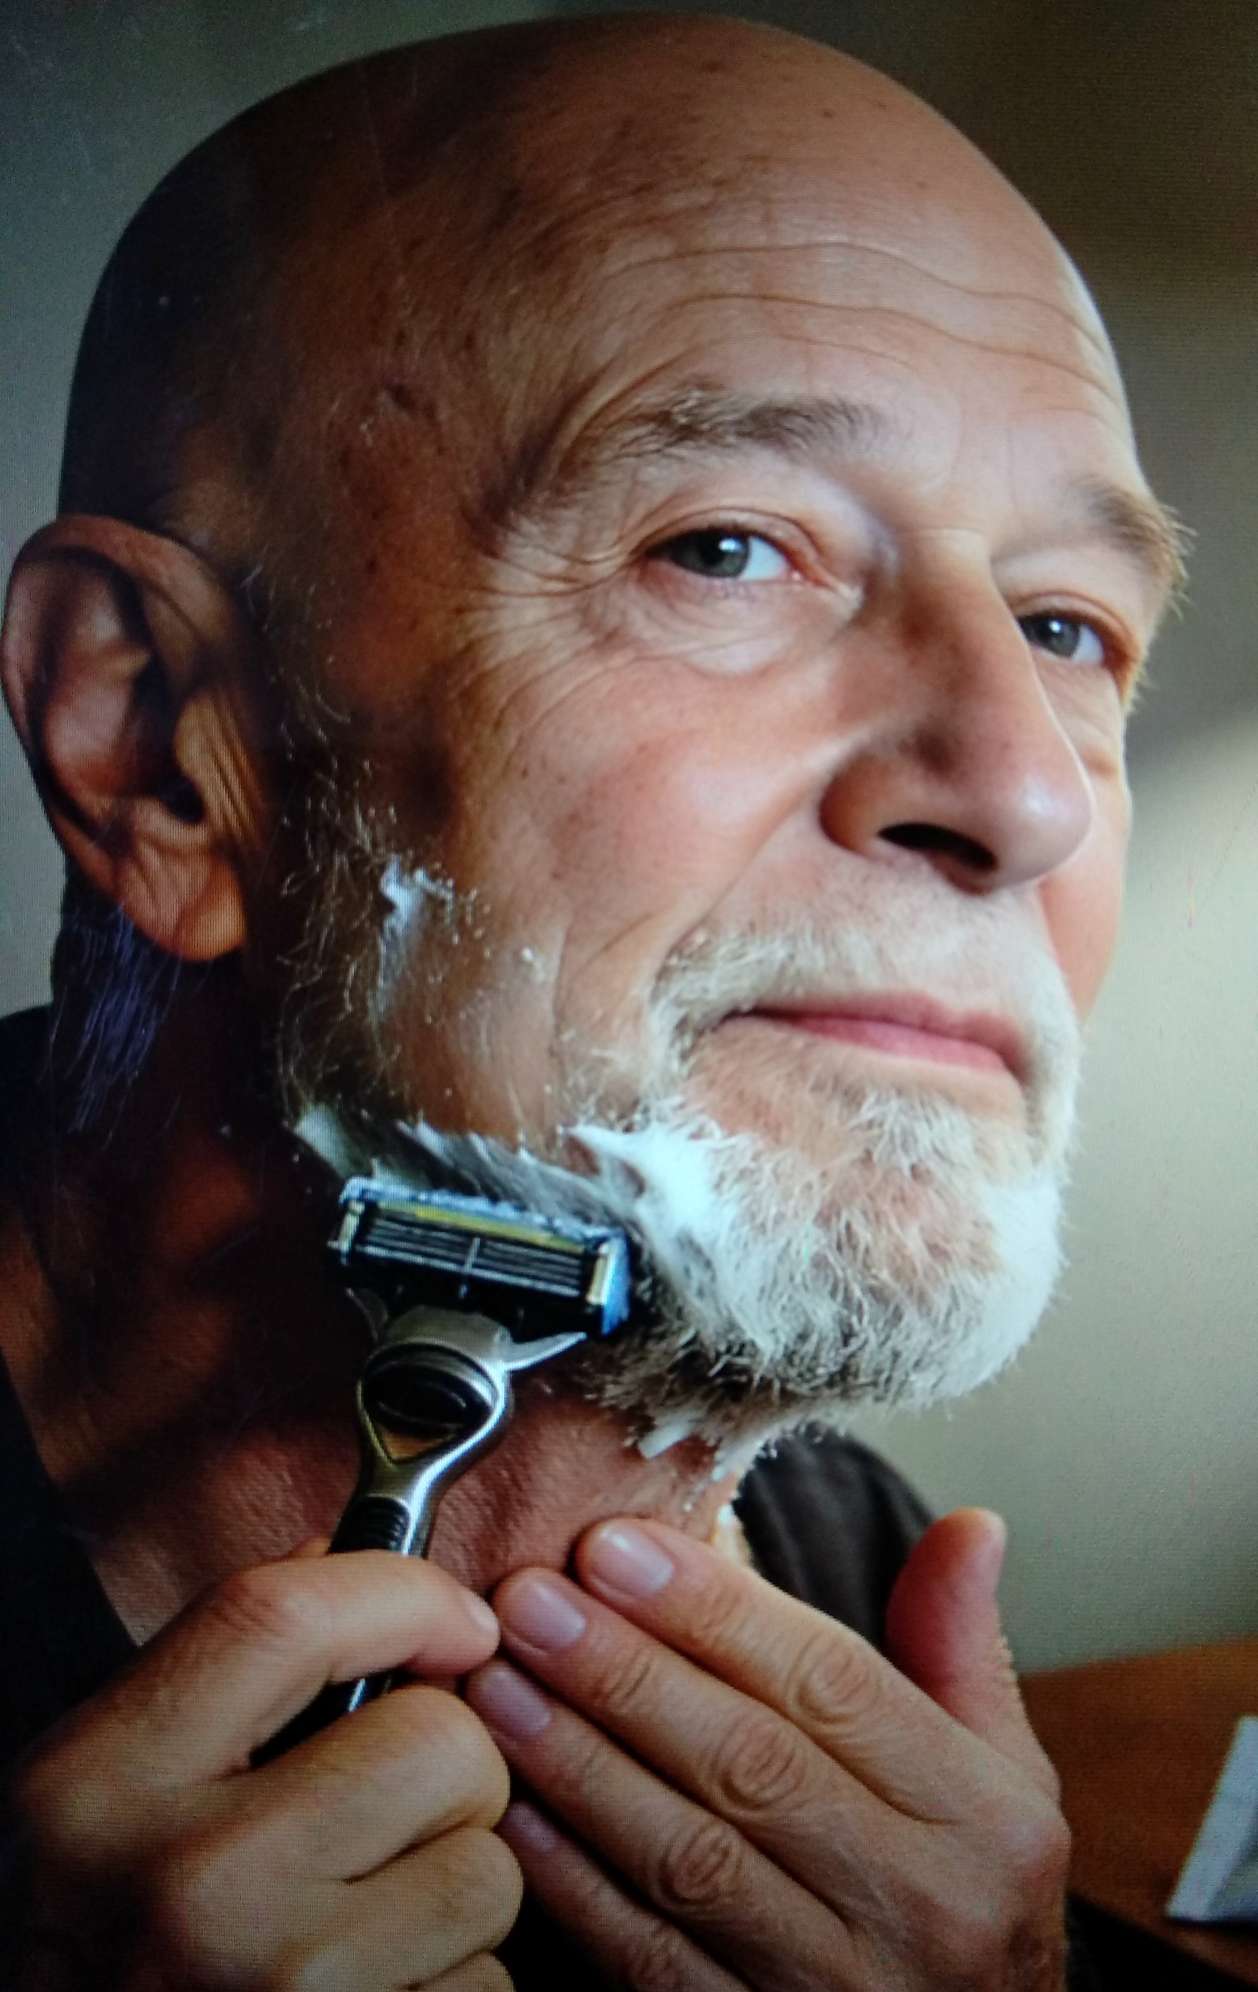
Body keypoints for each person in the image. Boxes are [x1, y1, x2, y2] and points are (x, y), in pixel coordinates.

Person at [0, 12, 1184, 1987]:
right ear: (153, 744)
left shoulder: (850, 1582)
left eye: (1066, 625)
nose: (1021, 792)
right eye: (724, 550)